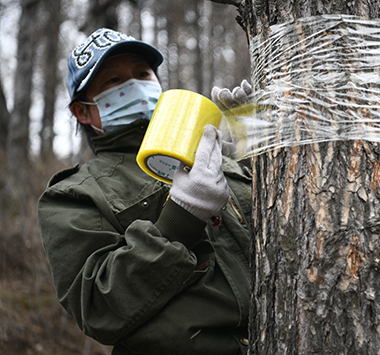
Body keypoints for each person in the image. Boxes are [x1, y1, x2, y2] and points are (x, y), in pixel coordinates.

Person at [37, 28, 253, 355]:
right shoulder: (71, 195)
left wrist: (261, 149)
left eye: (142, 73)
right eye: (114, 81)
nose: (135, 86)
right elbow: (97, 305)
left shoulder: (216, 156)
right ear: (82, 111)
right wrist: (181, 217)